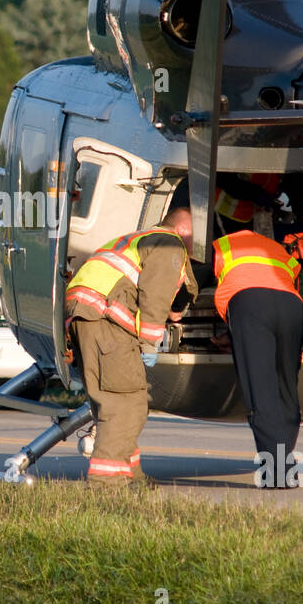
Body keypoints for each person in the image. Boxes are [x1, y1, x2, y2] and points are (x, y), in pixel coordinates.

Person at [65, 208, 197, 487]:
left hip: (90, 318)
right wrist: (150, 343)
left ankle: (130, 475)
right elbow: (156, 294)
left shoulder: (140, 240)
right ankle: (105, 483)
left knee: (120, 401)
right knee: (125, 403)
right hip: (105, 320)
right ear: (185, 230)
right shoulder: (169, 243)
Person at [211, 229, 303, 488]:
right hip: (291, 305)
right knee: (286, 387)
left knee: (261, 391)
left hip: (248, 301)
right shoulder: (275, 248)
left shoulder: (222, 245)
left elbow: (200, 281)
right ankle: (283, 458)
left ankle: (278, 472)